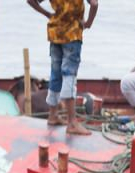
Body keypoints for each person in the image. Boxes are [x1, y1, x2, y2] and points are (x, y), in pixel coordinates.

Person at [26, 0, 98, 136]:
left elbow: (31, 1)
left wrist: (47, 13)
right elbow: (94, 4)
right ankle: (72, 123)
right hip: (72, 34)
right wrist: (88, 23)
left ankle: (53, 115)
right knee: (69, 76)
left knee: (55, 74)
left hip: (55, 33)